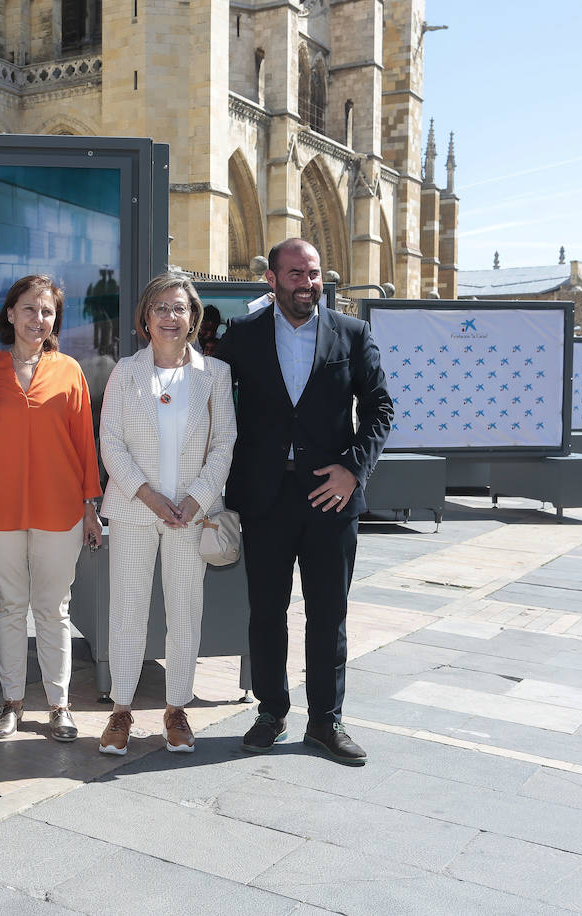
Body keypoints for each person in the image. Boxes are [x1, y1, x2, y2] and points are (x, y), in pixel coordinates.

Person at [215, 238, 392, 765]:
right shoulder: (242, 337)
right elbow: (215, 411)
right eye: (294, 273)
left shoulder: (352, 333)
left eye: (312, 273)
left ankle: (325, 721)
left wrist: (353, 470)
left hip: (330, 497)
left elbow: (380, 408)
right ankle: (271, 711)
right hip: (265, 497)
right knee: (266, 611)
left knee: (328, 612)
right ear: (271, 279)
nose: (305, 283)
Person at [96, 274, 236, 755]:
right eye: (161, 308)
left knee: (184, 613)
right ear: (146, 317)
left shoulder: (214, 376)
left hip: (191, 515)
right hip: (137, 511)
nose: (170, 318)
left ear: (193, 318)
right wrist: (151, 497)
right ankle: (120, 711)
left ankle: (176, 709)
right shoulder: (125, 373)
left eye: (179, 308)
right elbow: (110, 442)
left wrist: (195, 499)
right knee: (128, 610)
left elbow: (224, 443)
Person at [0, 275, 102, 742]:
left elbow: (84, 445)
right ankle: (11, 703)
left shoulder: (70, 370)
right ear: (10, 314)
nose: (38, 319)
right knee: (10, 608)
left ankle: (58, 704)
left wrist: (91, 506)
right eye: (29, 309)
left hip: (59, 507)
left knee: (53, 609)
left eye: (47, 311)